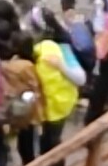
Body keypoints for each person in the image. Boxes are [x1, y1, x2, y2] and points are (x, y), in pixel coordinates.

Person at [33, 18, 85, 153]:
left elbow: (81, 79)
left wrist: (61, 66)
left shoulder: (62, 49)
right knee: (48, 138)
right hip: (51, 105)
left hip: (56, 105)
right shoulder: (35, 49)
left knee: (51, 141)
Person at [0, 31, 43, 165]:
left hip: (22, 110)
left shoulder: (15, 64)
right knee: (27, 145)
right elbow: (36, 87)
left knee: (26, 147)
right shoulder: (29, 64)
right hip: (27, 109)